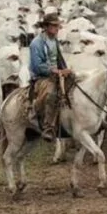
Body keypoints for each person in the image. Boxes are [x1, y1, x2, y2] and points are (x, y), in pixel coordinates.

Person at [28, 13, 71, 142]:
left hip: (56, 73)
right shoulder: (36, 43)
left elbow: (58, 58)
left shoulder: (54, 40)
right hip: (42, 77)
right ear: (46, 26)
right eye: (54, 26)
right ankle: (48, 127)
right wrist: (56, 71)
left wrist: (65, 70)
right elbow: (37, 66)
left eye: (58, 26)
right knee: (51, 93)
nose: (57, 28)